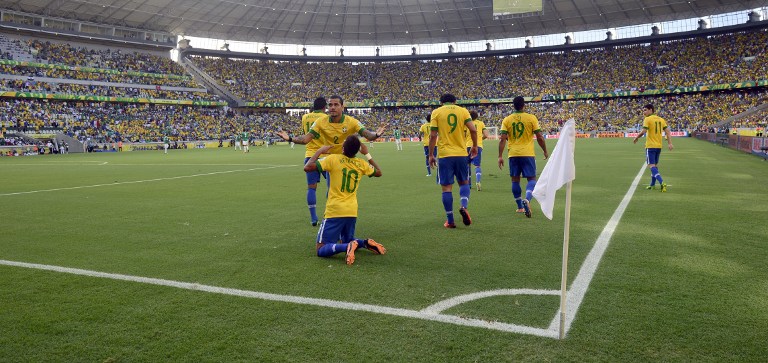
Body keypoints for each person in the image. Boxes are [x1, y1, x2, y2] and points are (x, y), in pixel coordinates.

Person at [303, 136, 386, 266]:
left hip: (335, 211)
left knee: (321, 248)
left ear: (342, 148)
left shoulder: (333, 159)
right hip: (352, 211)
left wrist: (319, 151)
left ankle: (346, 248)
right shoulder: (361, 163)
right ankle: (364, 243)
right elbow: (379, 172)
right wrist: (367, 154)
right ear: (357, 150)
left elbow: (307, 167)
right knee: (347, 239)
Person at [428, 93, 478, 228]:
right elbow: (473, 129)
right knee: (464, 183)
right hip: (461, 153)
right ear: (455, 101)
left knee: (446, 188)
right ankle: (464, 206)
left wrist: (431, 154)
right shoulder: (463, 111)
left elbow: (433, 135)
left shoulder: (436, 112)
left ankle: (450, 220)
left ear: (441, 102)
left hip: (445, 155)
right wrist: (474, 145)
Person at [278, 95, 386, 156]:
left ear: (342, 107)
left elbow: (367, 135)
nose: (332, 107)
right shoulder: (321, 121)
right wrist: (290, 138)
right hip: (330, 160)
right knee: (331, 191)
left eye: (336, 104)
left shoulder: (352, 121)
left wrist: (376, 134)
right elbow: (306, 139)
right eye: (330, 105)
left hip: (346, 159)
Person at [498, 96, 549, 218]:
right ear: (523, 105)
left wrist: (500, 156)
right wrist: (545, 151)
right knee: (531, 179)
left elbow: (502, 139)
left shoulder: (507, 119)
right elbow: (540, 137)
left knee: (515, 180)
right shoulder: (531, 118)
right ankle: (527, 199)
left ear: (513, 105)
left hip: (513, 154)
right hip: (528, 154)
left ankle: (520, 207)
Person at [301, 97, 329, 226]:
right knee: (332, 187)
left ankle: (313, 218)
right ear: (324, 107)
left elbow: (305, 134)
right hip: (326, 155)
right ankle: (329, 215)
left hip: (310, 155)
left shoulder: (305, 117)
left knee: (311, 188)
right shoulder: (326, 117)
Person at [633, 103, 674, 192]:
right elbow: (668, 131)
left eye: (645, 110)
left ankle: (662, 182)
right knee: (655, 166)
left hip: (650, 146)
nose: (644, 112)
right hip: (659, 146)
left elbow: (643, 131)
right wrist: (670, 143)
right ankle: (652, 185)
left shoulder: (647, 119)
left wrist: (636, 137)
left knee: (651, 166)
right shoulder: (661, 119)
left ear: (651, 110)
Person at [466, 110, 490, 191]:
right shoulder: (481, 123)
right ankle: (478, 181)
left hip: (468, 145)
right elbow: (486, 135)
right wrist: (480, 139)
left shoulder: (466, 123)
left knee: (467, 165)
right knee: (477, 165)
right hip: (478, 146)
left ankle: (468, 184)